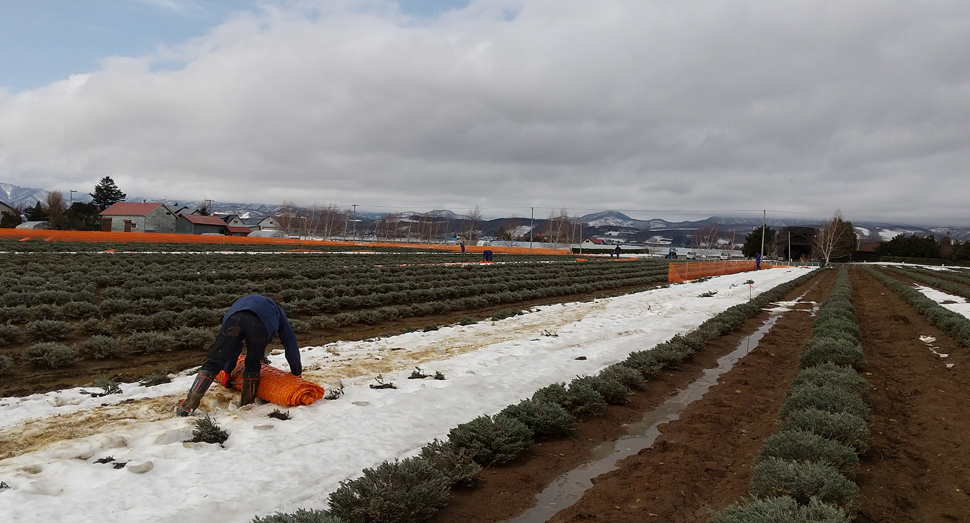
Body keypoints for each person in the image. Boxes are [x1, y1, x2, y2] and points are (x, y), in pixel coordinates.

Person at [176, 294, 302, 416]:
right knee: (253, 363)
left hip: (233, 320)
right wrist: (296, 373)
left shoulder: (244, 301)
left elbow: (233, 347)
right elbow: (289, 341)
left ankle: (188, 406)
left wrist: (227, 372)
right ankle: (247, 405)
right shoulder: (277, 310)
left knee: (213, 362)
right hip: (260, 325)